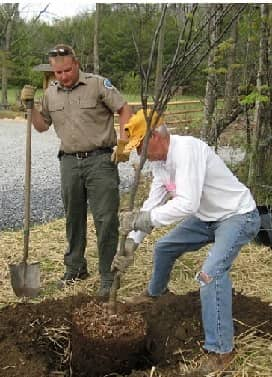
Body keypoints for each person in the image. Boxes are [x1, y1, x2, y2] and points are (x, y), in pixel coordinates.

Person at [111, 109, 261, 373]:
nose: (140, 156)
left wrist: (143, 220)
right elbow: (152, 203)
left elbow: (186, 203)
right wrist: (132, 243)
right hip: (207, 217)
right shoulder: (160, 163)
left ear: (156, 136)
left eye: (141, 147)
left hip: (237, 216)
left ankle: (221, 351)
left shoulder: (187, 151)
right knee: (164, 247)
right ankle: (155, 294)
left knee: (210, 275)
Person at [21, 44, 132, 299]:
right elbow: (41, 126)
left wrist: (125, 142)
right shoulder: (51, 93)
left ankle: (107, 274)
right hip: (69, 162)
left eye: (67, 70)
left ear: (77, 64)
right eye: (58, 72)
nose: (63, 76)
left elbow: (125, 109)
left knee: (105, 220)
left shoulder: (97, 84)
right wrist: (30, 107)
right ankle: (75, 268)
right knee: (73, 217)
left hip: (100, 160)